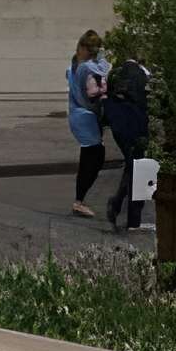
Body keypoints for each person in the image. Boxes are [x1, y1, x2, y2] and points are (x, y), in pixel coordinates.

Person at [103, 50, 152, 231]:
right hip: (138, 127)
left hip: (119, 127)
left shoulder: (114, 73)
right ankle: (130, 215)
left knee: (132, 165)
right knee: (141, 168)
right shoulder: (144, 74)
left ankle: (118, 206)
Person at [66, 31, 109, 217]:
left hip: (80, 117)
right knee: (94, 158)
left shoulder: (75, 65)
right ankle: (79, 201)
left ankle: (79, 200)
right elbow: (103, 71)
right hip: (85, 118)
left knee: (89, 158)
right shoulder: (86, 67)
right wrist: (103, 58)